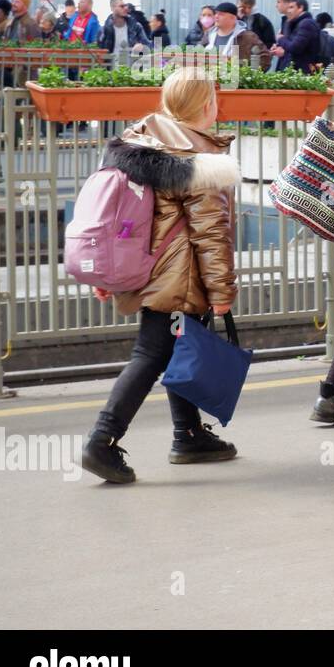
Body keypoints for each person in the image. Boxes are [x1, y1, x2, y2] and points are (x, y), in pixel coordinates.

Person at [78, 68, 241, 483]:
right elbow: (211, 233)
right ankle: (102, 441)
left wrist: (110, 275)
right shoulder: (199, 160)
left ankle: (188, 435)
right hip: (178, 277)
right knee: (152, 354)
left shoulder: (137, 143)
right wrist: (221, 290)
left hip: (144, 268)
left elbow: (114, 219)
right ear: (207, 106)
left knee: (176, 349)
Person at [205, 2, 267, 67]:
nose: (216, 16)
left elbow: (264, 57)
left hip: (235, 76)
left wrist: (247, 74)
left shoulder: (247, 37)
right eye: (216, 13)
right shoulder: (209, 35)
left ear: (233, 18)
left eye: (221, 14)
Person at [271, 0, 321, 72]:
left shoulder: (306, 24)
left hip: (302, 72)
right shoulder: (296, 23)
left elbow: (295, 47)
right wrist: (279, 47)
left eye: (291, 7)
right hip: (297, 70)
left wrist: (281, 39)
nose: (288, 11)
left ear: (300, 8)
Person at [99, 0, 151, 67]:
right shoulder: (105, 28)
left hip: (131, 69)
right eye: (122, 6)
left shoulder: (136, 26)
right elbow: (100, 48)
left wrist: (141, 47)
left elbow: (148, 45)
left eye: (125, 6)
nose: (125, 8)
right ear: (112, 8)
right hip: (111, 69)